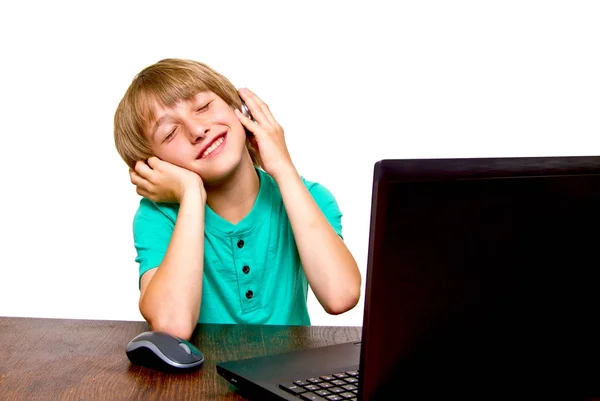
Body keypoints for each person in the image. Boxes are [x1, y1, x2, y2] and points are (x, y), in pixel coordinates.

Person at [113, 58, 361, 340]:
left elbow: (341, 295)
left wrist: (282, 167)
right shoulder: (157, 217)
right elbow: (172, 326)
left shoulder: (307, 198)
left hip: (288, 380)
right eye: (170, 133)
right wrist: (191, 194)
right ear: (153, 166)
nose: (197, 131)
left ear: (240, 109)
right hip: (196, 382)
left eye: (204, 107)